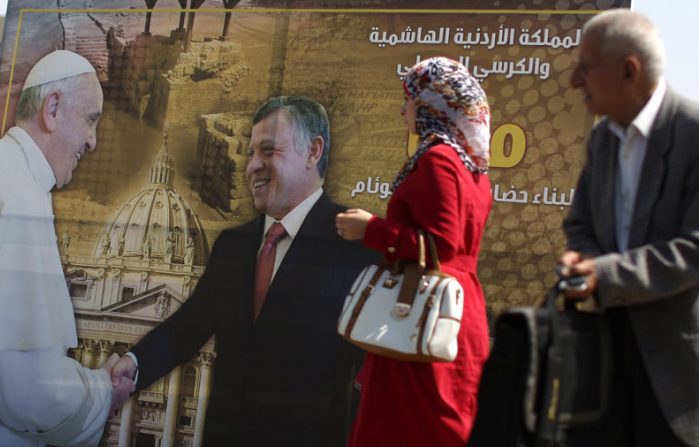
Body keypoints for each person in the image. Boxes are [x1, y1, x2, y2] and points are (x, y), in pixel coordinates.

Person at [109, 96, 378, 446]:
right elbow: (187, 327)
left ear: (313, 152)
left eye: (268, 151)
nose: (252, 166)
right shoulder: (233, 245)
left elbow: (370, 375)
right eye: (251, 153)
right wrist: (133, 363)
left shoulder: (355, 247)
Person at [0, 50, 132, 446]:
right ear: (52, 108)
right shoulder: (18, 194)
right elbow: (27, 388)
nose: (93, 141)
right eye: (90, 119)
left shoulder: (8, 170)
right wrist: (103, 390)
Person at [559, 9, 699, 447]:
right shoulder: (603, 141)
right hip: (602, 360)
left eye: (585, 67)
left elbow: (694, 249)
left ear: (628, 70)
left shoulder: (693, 135)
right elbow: (580, 223)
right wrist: (580, 255)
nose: (574, 81)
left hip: (673, 374)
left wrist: (606, 274)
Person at [336, 57, 493, 447]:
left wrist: (371, 229)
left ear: (429, 107)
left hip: (423, 309)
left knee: (413, 428)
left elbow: (442, 244)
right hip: (449, 309)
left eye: (408, 100)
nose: (402, 109)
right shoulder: (471, 166)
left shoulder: (440, 159)